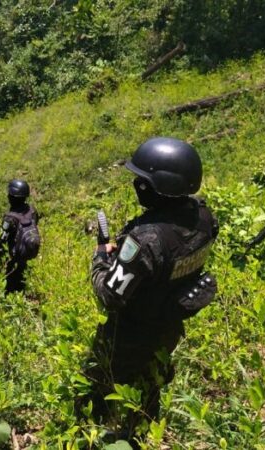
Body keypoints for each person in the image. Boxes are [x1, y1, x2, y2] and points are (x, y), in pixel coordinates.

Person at [78, 137, 219, 439]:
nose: (138, 185)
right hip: (169, 325)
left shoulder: (145, 241)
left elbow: (109, 295)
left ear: (159, 185)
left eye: (143, 180)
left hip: (131, 334)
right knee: (150, 389)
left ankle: (94, 437)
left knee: (95, 390)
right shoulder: (205, 218)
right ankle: (142, 433)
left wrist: (102, 257)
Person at [0, 179, 40, 295]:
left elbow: (2, 238)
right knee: (22, 281)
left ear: (12, 198)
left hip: (14, 257)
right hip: (26, 253)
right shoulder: (32, 210)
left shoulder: (10, 218)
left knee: (10, 287)